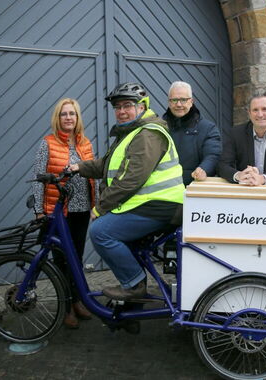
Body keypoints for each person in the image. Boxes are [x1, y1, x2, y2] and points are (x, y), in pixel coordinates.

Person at [69, 82, 184, 301]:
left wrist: (100, 207)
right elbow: (108, 164)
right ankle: (130, 308)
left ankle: (134, 285)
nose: (121, 111)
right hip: (152, 204)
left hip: (162, 205)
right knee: (122, 239)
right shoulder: (133, 132)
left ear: (142, 107)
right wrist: (79, 167)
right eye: (118, 107)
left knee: (101, 231)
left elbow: (132, 179)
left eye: (127, 105)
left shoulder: (148, 134)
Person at [32, 98, 95, 328]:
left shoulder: (85, 144)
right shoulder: (47, 144)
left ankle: (78, 301)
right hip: (56, 212)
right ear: (57, 118)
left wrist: (96, 205)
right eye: (64, 114)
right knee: (61, 261)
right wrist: (39, 211)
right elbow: (38, 179)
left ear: (78, 118)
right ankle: (66, 307)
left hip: (81, 209)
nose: (69, 118)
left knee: (76, 259)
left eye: (73, 114)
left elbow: (93, 174)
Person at [218, 92, 266, 185]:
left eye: (265, 109)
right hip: (244, 188)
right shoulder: (235, 133)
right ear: (249, 113)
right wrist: (239, 175)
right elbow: (223, 165)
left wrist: (263, 179)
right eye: (255, 110)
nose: (260, 114)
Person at [162, 81, 221, 185]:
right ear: (169, 102)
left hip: (193, 188)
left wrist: (203, 169)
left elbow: (213, 155)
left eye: (183, 100)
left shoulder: (208, 128)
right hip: (162, 189)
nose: (179, 104)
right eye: (174, 100)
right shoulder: (159, 127)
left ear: (191, 101)